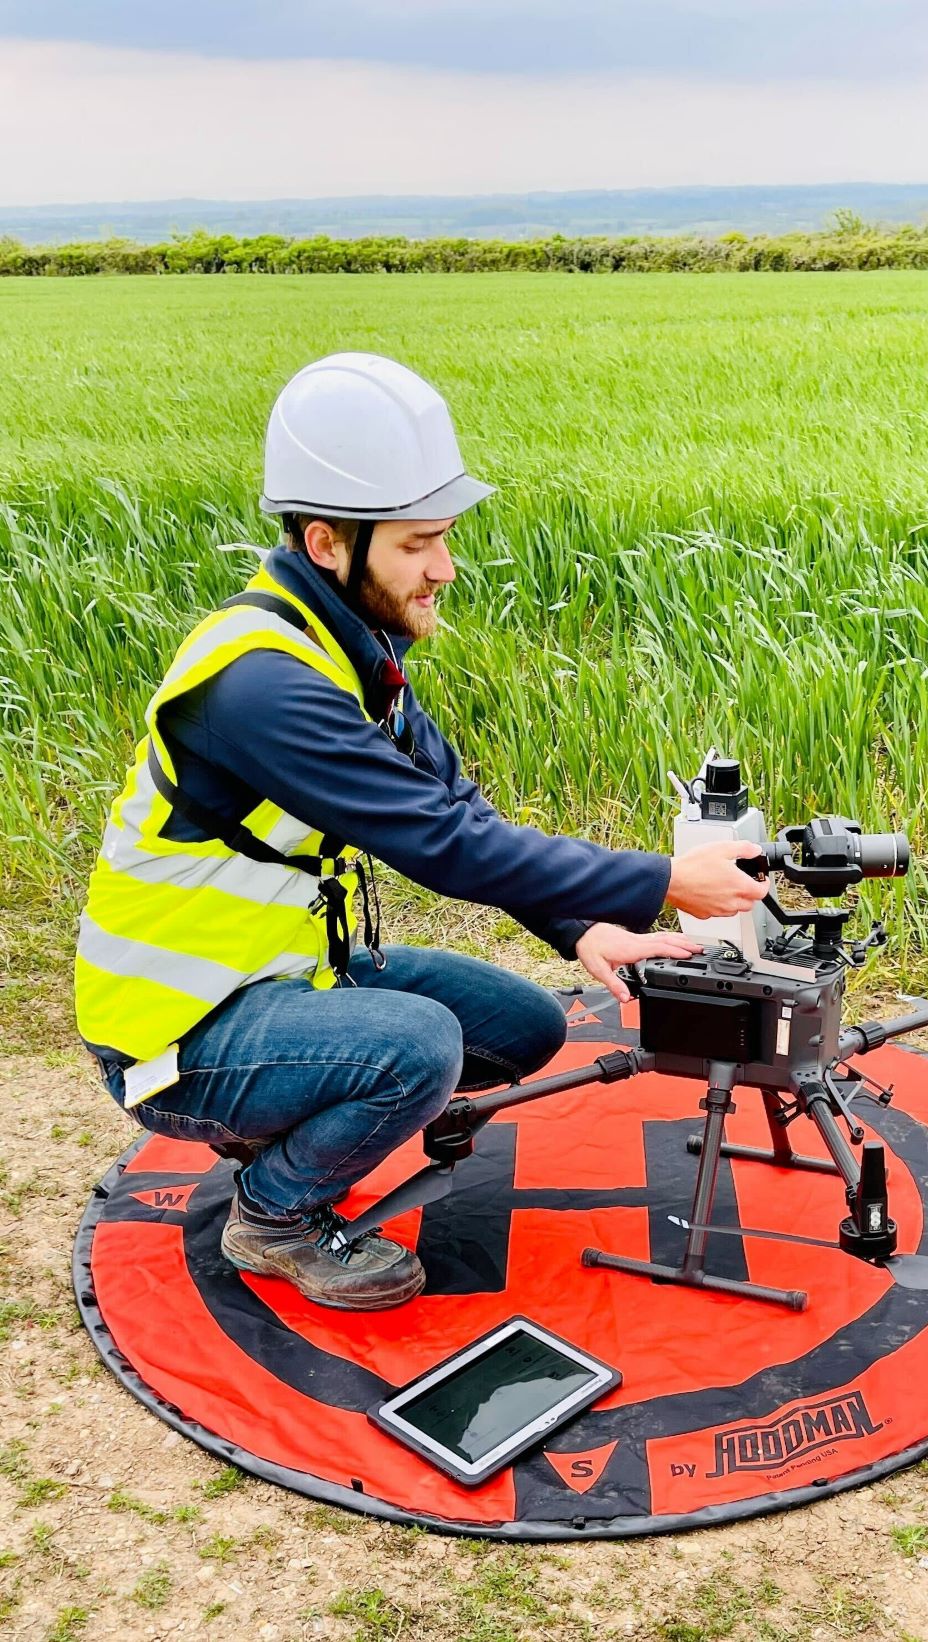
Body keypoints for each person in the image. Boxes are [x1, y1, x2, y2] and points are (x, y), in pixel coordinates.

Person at [76, 351, 767, 1311]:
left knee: (523, 1027)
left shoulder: (350, 652)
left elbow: (462, 812)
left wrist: (582, 929)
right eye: (417, 544)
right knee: (420, 1046)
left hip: (282, 981)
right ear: (327, 543)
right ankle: (272, 1211)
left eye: (443, 537)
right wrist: (660, 879)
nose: (444, 567)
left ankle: (290, 1118)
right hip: (173, 1032)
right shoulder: (262, 686)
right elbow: (442, 844)